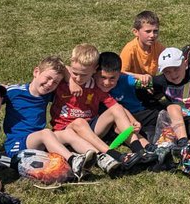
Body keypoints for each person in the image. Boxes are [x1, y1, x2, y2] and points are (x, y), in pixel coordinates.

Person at [51, 44, 136, 176]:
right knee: (79, 122)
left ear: (94, 71)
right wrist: (70, 81)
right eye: (75, 73)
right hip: (65, 131)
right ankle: (112, 154)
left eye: (83, 75)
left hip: (90, 129)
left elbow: (115, 107)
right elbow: (57, 65)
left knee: (116, 108)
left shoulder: (94, 87)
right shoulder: (61, 82)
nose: (78, 78)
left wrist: (132, 121)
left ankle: (138, 149)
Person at [3, 56, 93, 180]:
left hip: (40, 141)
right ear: (36, 72)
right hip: (17, 144)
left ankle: (101, 158)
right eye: (48, 78)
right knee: (46, 133)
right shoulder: (14, 91)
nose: (50, 84)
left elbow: (66, 69)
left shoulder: (47, 94)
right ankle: (73, 161)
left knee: (68, 133)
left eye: (55, 82)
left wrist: (71, 82)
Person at [94, 51, 165, 146]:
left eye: (112, 78)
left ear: (118, 75)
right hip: (120, 121)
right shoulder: (92, 85)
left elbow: (150, 82)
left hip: (140, 113)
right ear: (95, 73)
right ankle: (149, 144)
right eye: (103, 77)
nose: (107, 83)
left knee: (166, 115)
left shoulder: (125, 80)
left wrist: (147, 80)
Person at [120, 10, 162, 82]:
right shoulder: (130, 49)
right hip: (132, 85)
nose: (152, 35)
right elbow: (120, 73)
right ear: (136, 32)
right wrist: (140, 77)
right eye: (148, 31)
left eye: (155, 31)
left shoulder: (158, 47)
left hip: (149, 84)